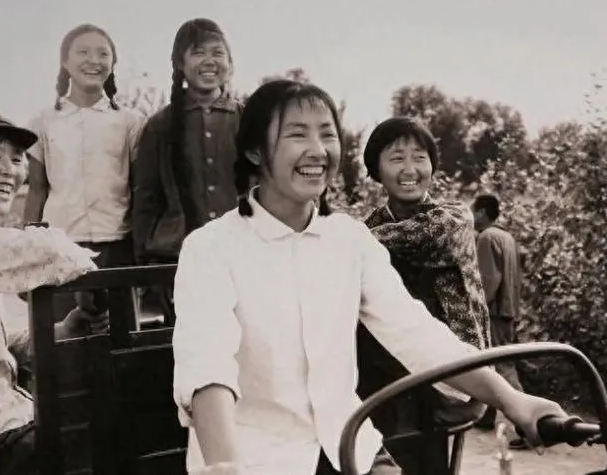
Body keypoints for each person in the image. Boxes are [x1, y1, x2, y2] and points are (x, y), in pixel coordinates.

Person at [172, 80, 567, 475]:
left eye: (327, 134)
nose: (318, 150)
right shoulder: (211, 248)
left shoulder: (350, 240)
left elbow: (418, 335)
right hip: (256, 459)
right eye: (297, 134)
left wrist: (514, 401)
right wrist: (224, 464)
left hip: (350, 448)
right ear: (255, 150)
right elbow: (207, 368)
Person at [357, 117, 491, 474]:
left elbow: (411, 237)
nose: (410, 169)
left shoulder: (452, 219)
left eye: (419, 157)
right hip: (389, 375)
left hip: (453, 373)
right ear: (376, 169)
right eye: (396, 158)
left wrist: (338, 239)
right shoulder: (368, 226)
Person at [0, 109, 108, 475]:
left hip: (8, 430)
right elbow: (53, 251)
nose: (9, 170)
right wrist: (88, 277)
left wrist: (64, 329)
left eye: (16, 159)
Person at [23, 24, 145, 326]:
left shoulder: (131, 122)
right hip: (59, 248)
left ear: (113, 63)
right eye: (83, 52)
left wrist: (141, 255)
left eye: (103, 54)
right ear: (65, 62)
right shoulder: (43, 122)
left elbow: (139, 189)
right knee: (61, 342)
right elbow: (37, 190)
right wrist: (27, 256)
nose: (94, 60)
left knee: (123, 342)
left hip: (117, 249)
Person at [132, 18, 242, 322]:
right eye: (198, 53)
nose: (209, 61)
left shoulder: (248, 119)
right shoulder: (160, 126)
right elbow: (146, 198)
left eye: (217, 53)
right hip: (177, 261)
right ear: (180, 64)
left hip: (243, 256)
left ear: (230, 64)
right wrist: (146, 266)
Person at [472, 193, 526, 446]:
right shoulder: (507, 237)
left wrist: (476, 306)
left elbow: (489, 279)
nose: (472, 216)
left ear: (482, 212)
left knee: (502, 366)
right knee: (490, 362)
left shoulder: (487, 237)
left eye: (474, 211)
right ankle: (487, 415)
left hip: (494, 312)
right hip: (508, 310)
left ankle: (531, 426)